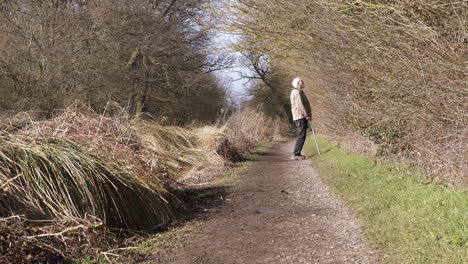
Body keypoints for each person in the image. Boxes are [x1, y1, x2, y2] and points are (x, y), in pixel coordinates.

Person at [290, 77, 312, 159]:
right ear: (297, 83)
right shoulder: (296, 92)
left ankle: (297, 153)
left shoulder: (299, 92)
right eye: (301, 81)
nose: (303, 82)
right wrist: (307, 115)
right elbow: (300, 105)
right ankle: (296, 154)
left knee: (302, 135)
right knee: (301, 135)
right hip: (300, 116)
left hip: (301, 116)